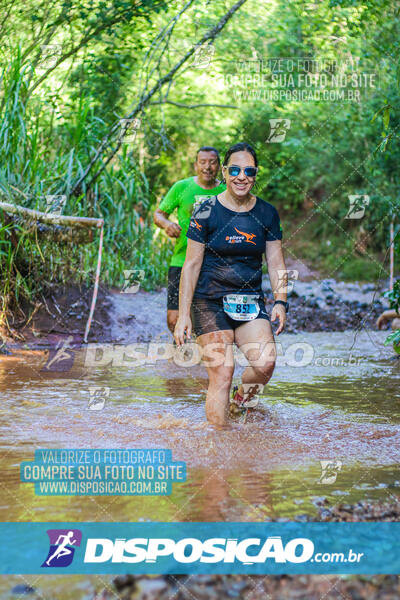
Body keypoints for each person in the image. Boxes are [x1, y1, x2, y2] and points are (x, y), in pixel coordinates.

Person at [174, 142, 288, 426]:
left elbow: (276, 263)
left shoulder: (267, 213)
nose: (241, 176)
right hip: (208, 301)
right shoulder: (204, 210)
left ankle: (239, 402)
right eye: (234, 170)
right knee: (223, 371)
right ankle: (218, 449)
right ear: (224, 172)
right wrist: (183, 315)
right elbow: (190, 265)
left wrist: (281, 301)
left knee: (265, 363)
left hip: (249, 301)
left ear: (255, 174)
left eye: (248, 171)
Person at [153, 147, 226, 333]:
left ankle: (201, 357)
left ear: (219, 166)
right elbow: (159, 214)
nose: (207, 167)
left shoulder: (227, 190)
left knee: (208, 319)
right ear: (195, 165)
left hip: (215, 264)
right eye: (203, 162)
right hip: (182, 260)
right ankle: (180, 357)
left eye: (212, 162)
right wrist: (167, 224)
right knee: (173, 319)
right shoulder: (181, 187)